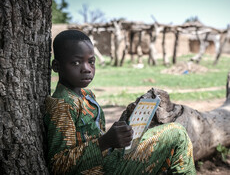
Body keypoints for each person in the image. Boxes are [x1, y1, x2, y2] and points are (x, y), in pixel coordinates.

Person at [44, 30, 196, 175]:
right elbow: (59, 166)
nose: (86, 69)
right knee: (177, 134)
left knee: (167, 135)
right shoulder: (62, 105)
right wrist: (104, 142)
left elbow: (91, 136)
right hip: (100, 170)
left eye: (91, 62)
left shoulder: (85, 95)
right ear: (56, 66)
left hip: (108, 160)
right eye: (76, 63)